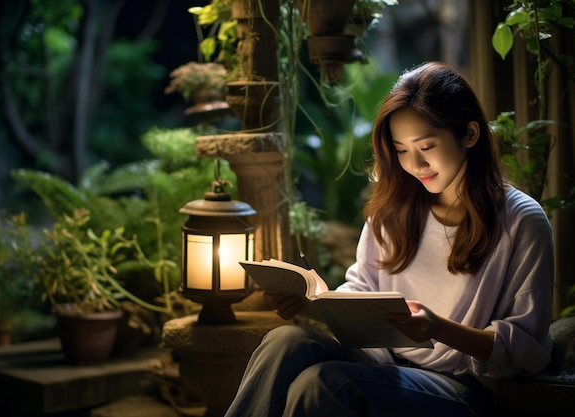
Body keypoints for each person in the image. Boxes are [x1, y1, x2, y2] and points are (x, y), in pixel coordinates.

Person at [224, 62, 554, 417]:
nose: (415, 165)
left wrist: (437, 328)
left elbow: (527, 351)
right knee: (285, 341)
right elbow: (362, 291)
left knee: (325, 383)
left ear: (470, 134)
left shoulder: (521, 220)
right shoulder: (394, 209)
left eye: (427, 146)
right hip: (382, 360)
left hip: (459, 386)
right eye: (400, 150)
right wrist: (311, 304)